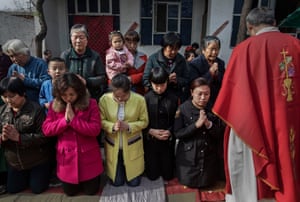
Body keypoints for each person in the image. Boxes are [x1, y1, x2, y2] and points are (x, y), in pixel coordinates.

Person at [213, 7, 300, 202]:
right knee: (289, 165)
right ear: (274, 23)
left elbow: (233, 98)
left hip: (255, 129)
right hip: (290, 125)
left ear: (250, 26)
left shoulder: (244, 50)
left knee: (251, 181)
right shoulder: (296, 45)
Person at [42, 72, 104, 196]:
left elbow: (95, 129)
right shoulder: (55, 105)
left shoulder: (91, 103)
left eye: (71, 94)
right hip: (67, 158)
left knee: (91, 192)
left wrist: (74, 121)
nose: (68, 98)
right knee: (70, 193)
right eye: (64, 95)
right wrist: (65, 121)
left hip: (88, 157)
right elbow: (46, 129)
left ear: (79, 92)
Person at [0, 77, 52, 194]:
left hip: (37, 160)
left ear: (23, 93)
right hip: (15, 163)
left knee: (37, 189)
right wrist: (2, 138)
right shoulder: (2, 111)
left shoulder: (36, 110)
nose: (8, 100)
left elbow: (45, 136)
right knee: (13, 189)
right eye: (4, 96)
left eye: (12, 96)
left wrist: (19, 138)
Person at [99, 73, 148, 187]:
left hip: (132, 144)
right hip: (113, 144)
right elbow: (100, 121)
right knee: (117, 183)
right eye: (117, 96)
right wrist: (111, 126)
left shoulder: (139, 100)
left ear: (129, 90)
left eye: (124, 96)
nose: (120, 99)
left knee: (134, 183)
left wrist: (129, 126)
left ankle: (133, 171)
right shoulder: (104, 99)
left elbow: (144, 122)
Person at [174, 77, 223, 188]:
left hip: (208, 159)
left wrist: (208, 124)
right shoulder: (183, 109)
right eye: (199, 94)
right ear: (192, 92)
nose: (203, 98)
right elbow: (178, 133)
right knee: (189, 183)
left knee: (208, 183)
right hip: (189, 159)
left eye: (206, 94)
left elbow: (220, 133)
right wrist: (196, 125)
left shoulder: (213, 109)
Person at [143, 67, 178, 182]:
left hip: (167, 140)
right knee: (152, 175)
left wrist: (170, 131)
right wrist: (150, 131)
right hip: (150, 140)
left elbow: (177, 120)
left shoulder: (173, 98)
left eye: (162, 85)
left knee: (168, 175)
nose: (159, 88)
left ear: (167, 82)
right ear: (151, 83)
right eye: (155, 85)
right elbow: (140, 120)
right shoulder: (145, 99)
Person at [61, 24, 107, 101]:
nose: (78, 41)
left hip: (91, 96)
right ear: (71, 39)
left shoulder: (95, 56)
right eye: (75, 37)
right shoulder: (65, 55)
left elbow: (102, 78)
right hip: (69, 97)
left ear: (87, 39)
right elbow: (61, 77)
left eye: (81, 37)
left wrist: (86, 81)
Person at [143, 32, 189, 103]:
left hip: (175, 98)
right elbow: (145, 80)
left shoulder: (181, 60)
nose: (173, 52)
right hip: (156, 99)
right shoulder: (153, 59)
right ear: (164, 46)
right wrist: (164, 81)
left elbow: (186, 79)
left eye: (176, 49)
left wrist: (177, 81)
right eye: (170, 48)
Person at [2, 39, 50, 103]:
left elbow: (46, 84)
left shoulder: (40, 64)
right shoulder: (13, 68)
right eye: (11, 56)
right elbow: (8, 88)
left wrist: (25, 80)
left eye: (16, 55)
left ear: (24, 52)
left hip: (38, 105)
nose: (14, 59)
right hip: (20, 106)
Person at [189, 36, 225, 110]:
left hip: (215, 100)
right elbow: (194, 84)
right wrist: (210, 73)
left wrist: (217, 74)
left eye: (217, 49)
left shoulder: (220, 63)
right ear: (203, 50)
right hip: (200, 101)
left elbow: (223, 81)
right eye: (211, 49)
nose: (214, 52)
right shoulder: (195, 64)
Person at [124, 30, 147, 95]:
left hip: (138, 89)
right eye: (129, 43)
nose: (132, 45)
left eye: (135, 43)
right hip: (121, 89)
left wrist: (132, 78)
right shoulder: (118, 56)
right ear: (125, 43)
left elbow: (146, 73)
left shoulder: (143, 57)